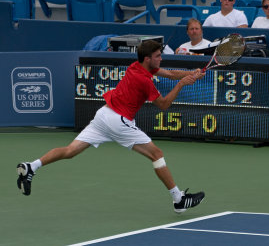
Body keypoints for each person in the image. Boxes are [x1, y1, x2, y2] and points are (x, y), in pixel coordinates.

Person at [16, 40, 205, 214]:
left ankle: (32, 166)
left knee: (70, 151)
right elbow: (163, 105)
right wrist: (182, 84)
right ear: (148, 59)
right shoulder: (144, 81)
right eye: (158, 56)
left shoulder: (136, 66)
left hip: (103, 115)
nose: (161, 58)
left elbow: (170, 74)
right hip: (119, 121)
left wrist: (191, 74)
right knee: (157, 155)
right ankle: (178, 199)